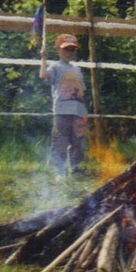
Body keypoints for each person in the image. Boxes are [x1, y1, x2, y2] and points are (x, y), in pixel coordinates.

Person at [40, 33, 88, 176]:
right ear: (58, 50)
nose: (69, 53)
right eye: (66, 49)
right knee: (60, 140)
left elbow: (81, 90)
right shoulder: (55, 67)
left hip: (78, 110)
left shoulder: (77, 69)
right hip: (62, 111)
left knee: (77, 141)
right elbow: (43, 76)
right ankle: (58, 170)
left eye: (72, 50)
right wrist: (43, 58)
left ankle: (75, 168)